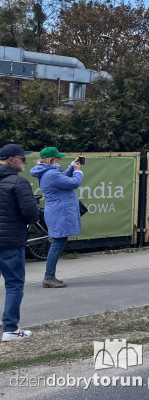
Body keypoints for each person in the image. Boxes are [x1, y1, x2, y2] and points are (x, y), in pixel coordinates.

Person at [0, 143, 39, 341]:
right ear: (11, 160)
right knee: (14, 284)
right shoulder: (18, 182)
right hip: (10, 241)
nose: (25, 162)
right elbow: (31, 214)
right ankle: (10, 329)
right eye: (23, 159)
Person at [30, 147, 82, 288]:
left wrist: (72, 165)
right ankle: (49, 277)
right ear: (52, 159)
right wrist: (78, 171)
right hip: (59, 212)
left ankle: (49, 276)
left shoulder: (48, 172)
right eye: (57, 157)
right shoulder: (51, 174)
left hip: (57, 211)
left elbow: (63, 178)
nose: (59, 158)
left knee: (58, 242)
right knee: (57, 243)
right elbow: (74, 183)